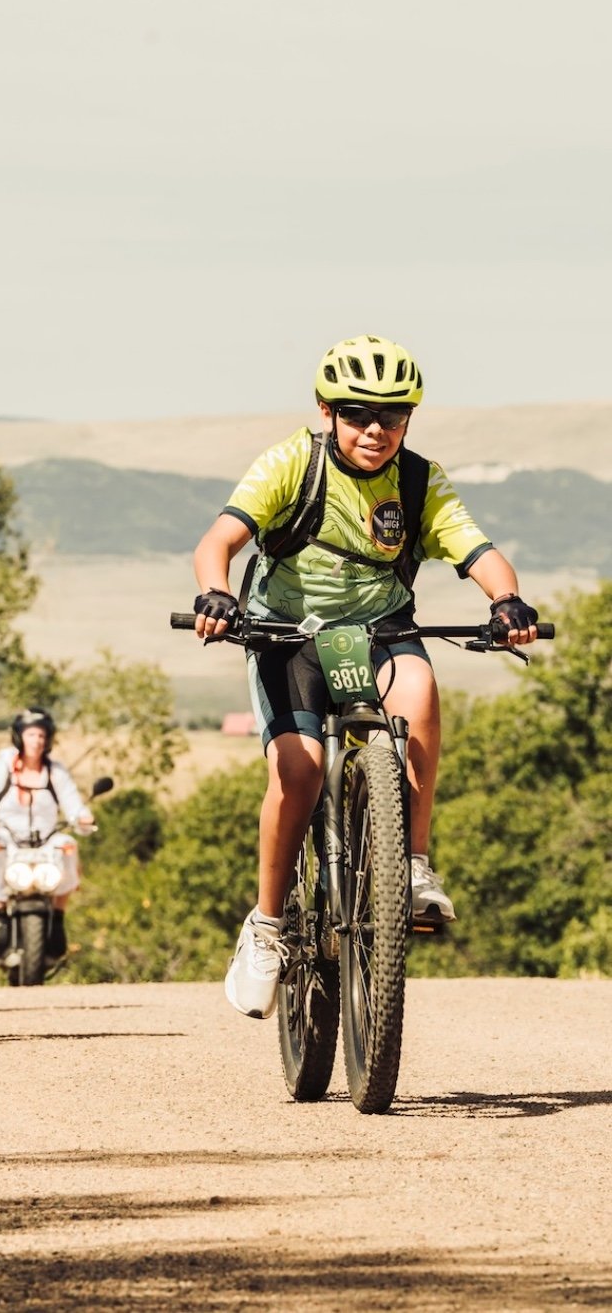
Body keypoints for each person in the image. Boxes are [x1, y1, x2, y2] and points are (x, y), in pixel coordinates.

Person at [192, 335, 539, 1020]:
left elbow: (478, 550)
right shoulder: (294, 462)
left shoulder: (417, 480)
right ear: (327, 410)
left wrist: (505, 601)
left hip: (380, 629)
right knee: (299, 771)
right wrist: (217, 592)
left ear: (410, 417)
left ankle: (409, 865)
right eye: (356, 413)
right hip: (285, 633)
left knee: (420, 690)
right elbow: (220, 540)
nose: (374, 429)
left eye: (391, 414)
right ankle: (266, 925)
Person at [0, 708, 95, 963]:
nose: (38, 741)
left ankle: (58, 917)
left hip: (46, 839)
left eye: (42, 736)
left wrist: (83, 817)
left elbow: (72, 803)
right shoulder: (2, 766)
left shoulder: (55, 771)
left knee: (68, 846)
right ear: (19, 736)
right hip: (7, 838)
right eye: (32, 734)